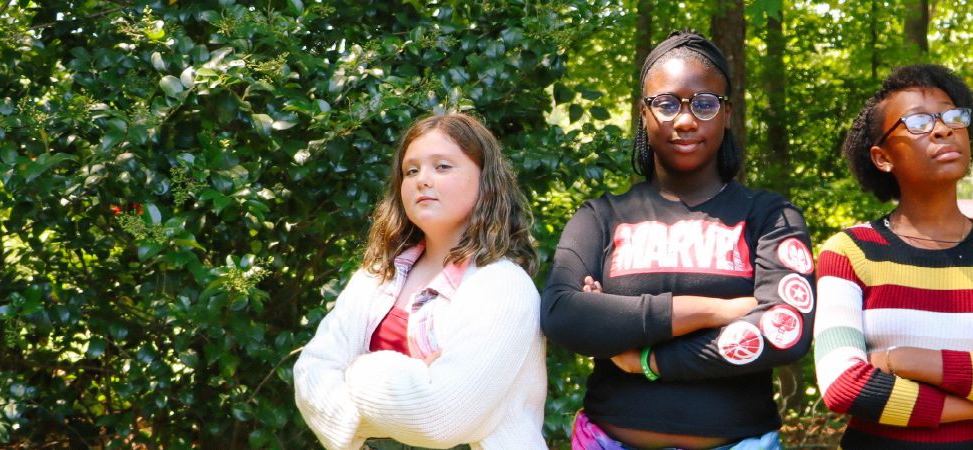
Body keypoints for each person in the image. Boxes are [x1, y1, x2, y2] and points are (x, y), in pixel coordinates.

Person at [541, 30, 813, 450]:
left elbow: (785, 330)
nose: (685, 119)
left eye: (704, 104)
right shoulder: (600, 216)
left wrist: (649, 359)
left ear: (726, 113)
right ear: (644, 114)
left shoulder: (770, 215)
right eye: (666, 103)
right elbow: (563, 315)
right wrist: (713, 311)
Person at [811, 65, 973, 450]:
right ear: (882, 157)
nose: (943, 129)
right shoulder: (849, 252)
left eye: (952, 116)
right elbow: (843, 387)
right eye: (917, 122)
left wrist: (901, 360)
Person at [294, 112, 547, 450]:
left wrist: (358, 371)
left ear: (485, 180)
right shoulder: (377, 277)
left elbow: (441, 418)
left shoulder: (503, 286)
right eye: (411, 170)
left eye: (442, 166)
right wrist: (414, 386)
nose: (422, 179)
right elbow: (310, 375)